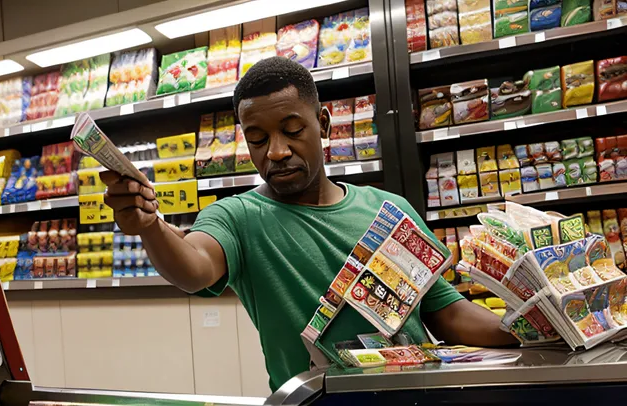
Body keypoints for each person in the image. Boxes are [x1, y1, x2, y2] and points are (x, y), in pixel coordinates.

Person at [100, 56, 518, 392]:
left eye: (292, 130)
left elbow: (446, 314)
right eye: (258, 139)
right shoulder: (237, 216)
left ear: (323, 123)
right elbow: (193, 270)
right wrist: (149, 226)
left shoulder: (389, 208)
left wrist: (530, 325)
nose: (277, 151)